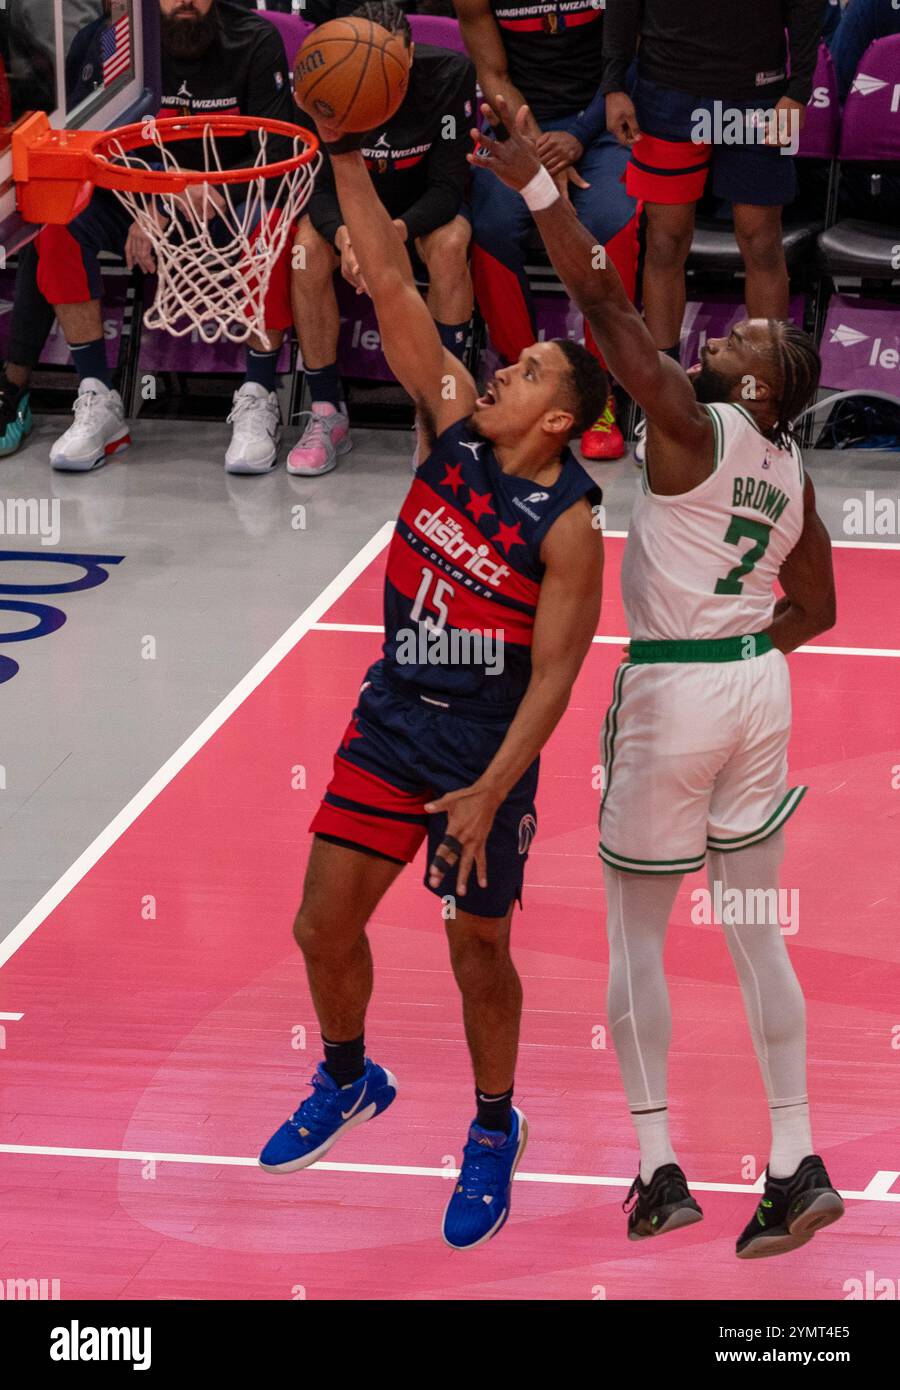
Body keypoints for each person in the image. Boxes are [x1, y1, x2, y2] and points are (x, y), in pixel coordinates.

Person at [472, 95, 844, 1259]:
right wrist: (746, 648)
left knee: (637, 938)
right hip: (755, 696)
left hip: (679, 692)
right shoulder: (792, 476)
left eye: (738, 342)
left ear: (761, 391)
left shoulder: (691, 422)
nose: (718, 336)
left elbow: (602, 302)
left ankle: (658, 1173)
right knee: (753, 933)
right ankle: (795, 1162)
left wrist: (540, 186)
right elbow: (819, 609)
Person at [258, 101, 607, 1251]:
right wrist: (346, 153)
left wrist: (495, 786)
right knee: (321, 927)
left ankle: (495, 1127)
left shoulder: (567, 523)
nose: (503, 366)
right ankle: (352, 1078)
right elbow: (397, 293)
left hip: (480, 748)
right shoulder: (453, 423)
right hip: (394, 713)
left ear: (558, 419)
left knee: (478, 951)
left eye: (530, 368)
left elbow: (555, 681)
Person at [32, 0, 299, 474]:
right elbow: (87, 147)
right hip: (137, 201)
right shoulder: (114, 41)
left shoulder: (254, 39)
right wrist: (155, 195)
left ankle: (259, 395)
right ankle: (98, 394)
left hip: (229, 200)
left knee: (274, 228)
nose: (186, 2)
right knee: (57, 226)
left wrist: (208, 187)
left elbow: (277, 151)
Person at [289, 1, 476, 477]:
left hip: (418, 214)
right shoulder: (329, 77)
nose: (371, 71)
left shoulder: (449, 74)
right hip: (348, 211)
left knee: (453, 243)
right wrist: (348, 236)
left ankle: (435, 415)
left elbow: (449, 188)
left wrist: (392, 234)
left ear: (409, 53)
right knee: (305, 252)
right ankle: (327, 412)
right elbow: (319, 189)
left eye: (387, 58)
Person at [456, 0, 640, 461]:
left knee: (611, 224)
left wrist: (578, 134)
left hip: (601, 122)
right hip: (518, 124)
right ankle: (527, 388)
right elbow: (493, 76)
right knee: (491, 226)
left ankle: (600, 392)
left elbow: (628, 62)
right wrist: (534, 150)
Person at [602, 0, 824, 364]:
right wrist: (614, 84)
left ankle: (764, 394)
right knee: (664, 242)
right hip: (666, 92)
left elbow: (806, 5)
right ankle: (664, 399)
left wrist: (799, 90)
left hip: (757, 95)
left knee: (762, 241)